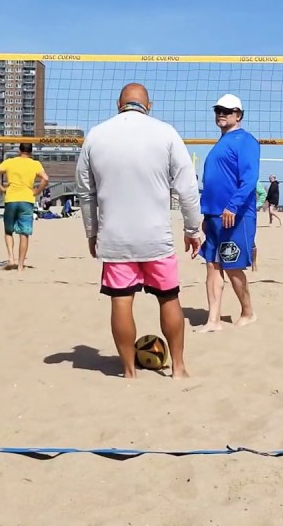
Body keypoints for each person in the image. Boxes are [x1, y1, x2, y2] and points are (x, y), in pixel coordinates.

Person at [75, 83, 201, 378]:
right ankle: (179, 369)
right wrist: (193, 229)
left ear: (118, 104)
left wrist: (92, 233)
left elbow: (85, 192)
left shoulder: (96, 135)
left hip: (115, 237)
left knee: (121, 301)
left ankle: (129, 371)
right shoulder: (166, 132)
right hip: (156, 236)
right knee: (169, 298)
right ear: (149, 105)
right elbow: (187, 187)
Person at [197, 93, 260, 332]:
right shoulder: (220, 143)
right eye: (218, 110)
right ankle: (213, 319)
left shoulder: (245, 141)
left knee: (232, 265)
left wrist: (232, 206)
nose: (221, 113)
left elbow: (249, 179)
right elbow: (214, 182)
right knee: (212, 265)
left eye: (227, 110)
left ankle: (248, 311)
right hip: (214, 215)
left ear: (238, 115)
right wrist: (206, 215)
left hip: (236, 215)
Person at [0, 143, 49, 271]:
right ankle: (20, 266)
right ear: (31, 152)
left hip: (11, 198)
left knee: (8, 231)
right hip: (27, 199)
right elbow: (46, 179)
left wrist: (1, 188)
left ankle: (11, 259)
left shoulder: (10, 162)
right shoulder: (35, 164)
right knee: (24, 233)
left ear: (19, 150)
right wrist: (37, 191)